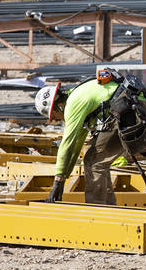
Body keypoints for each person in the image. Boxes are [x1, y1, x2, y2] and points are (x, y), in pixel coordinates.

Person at [35, 68, 126, 206]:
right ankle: (108, 206)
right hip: (129, 111)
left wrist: (57, 182)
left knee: (93, 160)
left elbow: (68, 143)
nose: (56, 121)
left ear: (59, 106)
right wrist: (63, 178)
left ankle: (97, 210)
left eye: (54, 117)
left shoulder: (72, 105)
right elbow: (77, 145)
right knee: (93, 153)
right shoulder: (78, 97)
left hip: (125, 115)